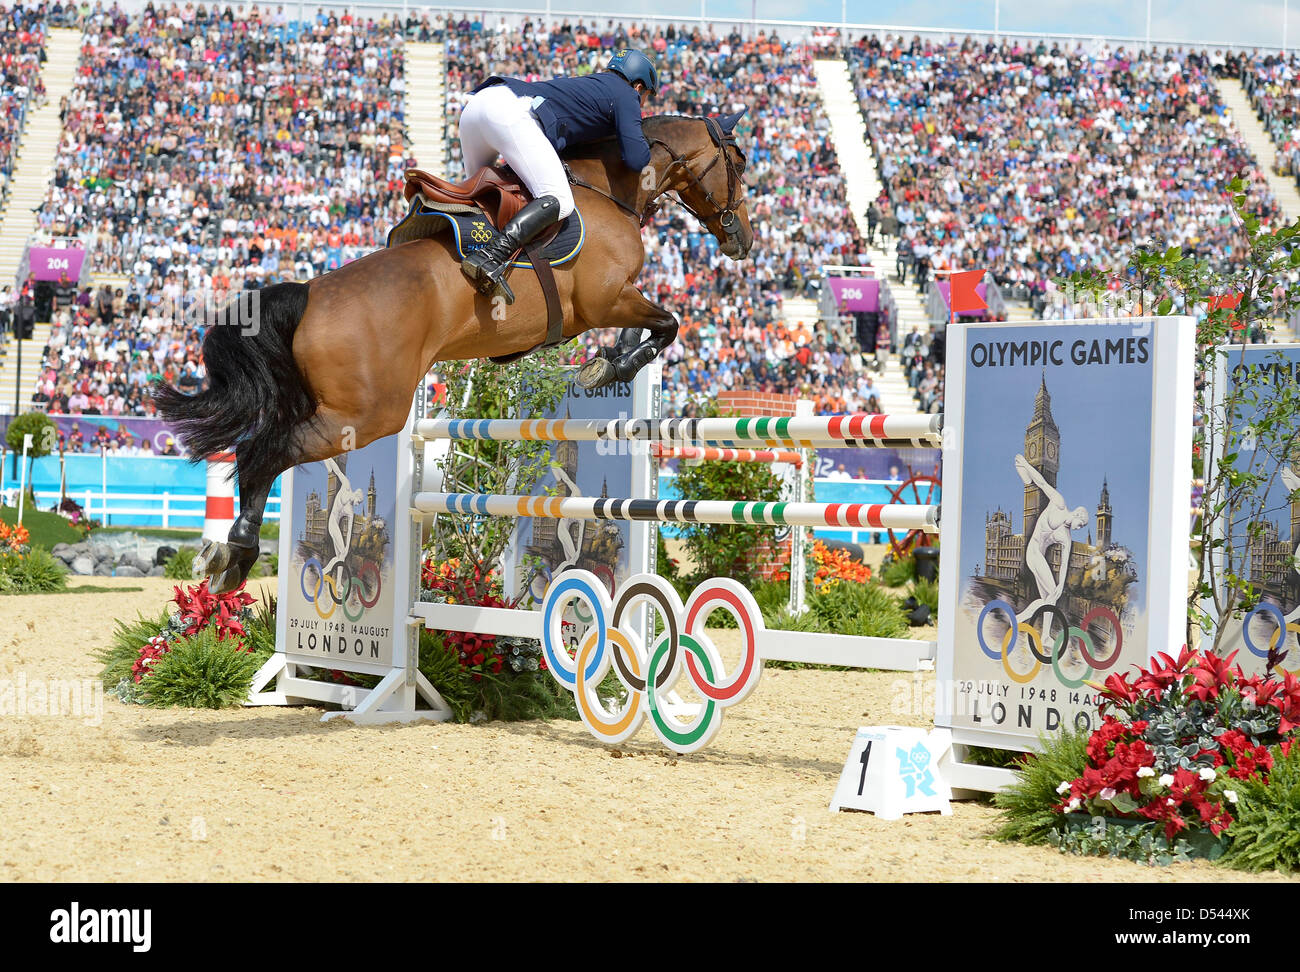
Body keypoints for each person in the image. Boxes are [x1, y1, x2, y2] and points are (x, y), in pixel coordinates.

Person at [456, 48, 659, 303]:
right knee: (559, 200)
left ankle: (455, 249)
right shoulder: (626, 94)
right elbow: (636, 157)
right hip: (508, 114)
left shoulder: (594, 84)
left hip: (478, 105)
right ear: (639, 85)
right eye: (646, 97)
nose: (642, 103)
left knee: (476, 197)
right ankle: (491, 257)